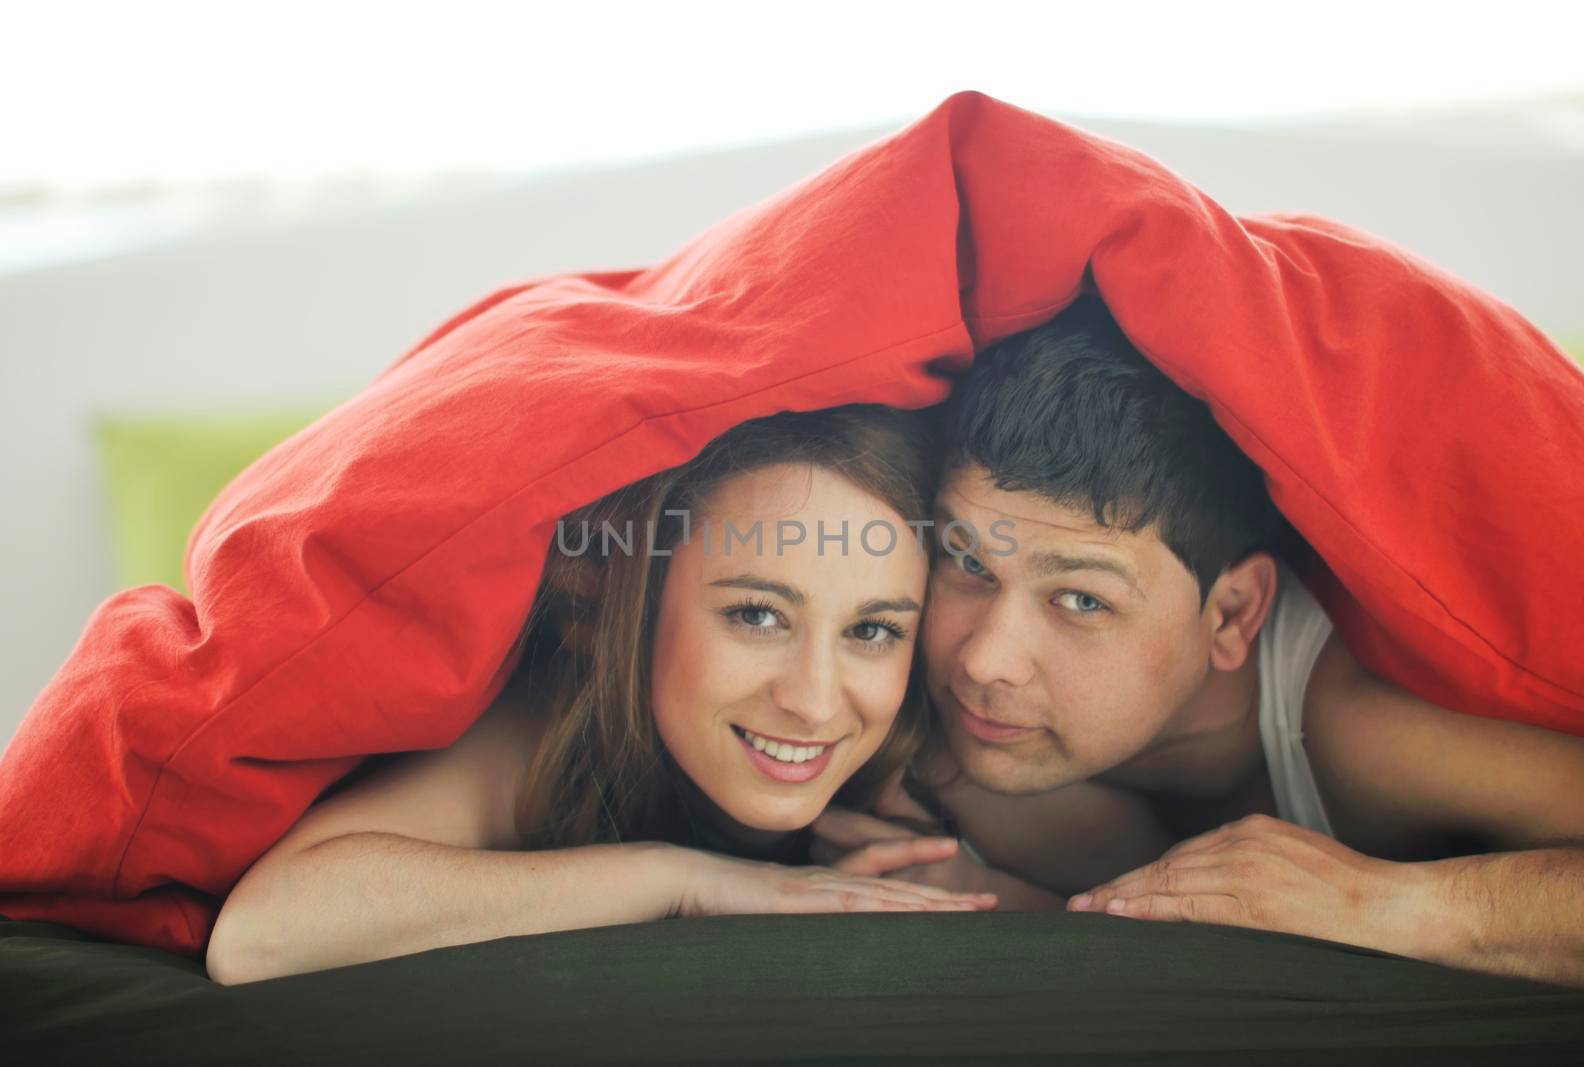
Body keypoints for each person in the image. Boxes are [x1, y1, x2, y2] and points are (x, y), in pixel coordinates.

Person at [814, 295, 1584, 988]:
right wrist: (1010, 900)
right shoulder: (924, 733)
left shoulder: (1367, 725)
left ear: (1232, 616)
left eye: (1082, 598)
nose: (983, 658)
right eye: (969, 560)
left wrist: (1385, 902)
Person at [204, 404, 1001, 986]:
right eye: (756, 614)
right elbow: (260, 935)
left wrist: (959, 873)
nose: (815, 701)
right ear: (639, 602)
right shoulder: (552, 727)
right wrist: (681, 881)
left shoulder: (914, 743)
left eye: (872, 631)